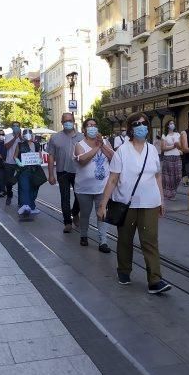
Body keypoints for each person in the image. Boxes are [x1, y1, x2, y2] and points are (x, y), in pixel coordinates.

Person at [98, 113, 171, 294]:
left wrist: (161, 199)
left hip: (150, 202)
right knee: (125, 240)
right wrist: (103, 203)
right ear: (130, 128)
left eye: (144, 123)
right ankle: (124, 270)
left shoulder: (152, 149)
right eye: (137, 124)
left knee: (150, 241)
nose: (141, 126)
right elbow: (113, 178)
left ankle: (155, 280)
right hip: (126, 203)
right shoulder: (122, 150)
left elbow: (157, 176)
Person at [75, 119, 114, 253]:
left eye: (94, 126)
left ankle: (103, 241)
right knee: (85, 213)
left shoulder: (105, 143)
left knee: (102, 213)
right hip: (84, 188)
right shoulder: (79, 145)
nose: (92, 128)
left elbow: (113, 157)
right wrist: (96, 147)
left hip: (102, 187)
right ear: (84, 130)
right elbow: (83, 161)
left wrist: (102, 144)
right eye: (89, 126)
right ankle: (84, 235)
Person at [47, 113, 83, 232]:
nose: (68, 122)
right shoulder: (55, 138)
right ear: (62, 123)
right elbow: (51, 156)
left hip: (79, 172)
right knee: (65, 197)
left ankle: (75, 212)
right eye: (65, 121)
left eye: (70, 120)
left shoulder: (82, 137)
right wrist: (51, 174)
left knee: (80, 196)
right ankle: (67, 222)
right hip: (62, 171)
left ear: (74, 122)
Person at [14, 128, 45, 218]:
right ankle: (26, 206)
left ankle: (32, 205)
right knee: (25, 188)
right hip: (24, 170)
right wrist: (18, 162)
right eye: (26, 134)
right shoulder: (19, 145)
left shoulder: (36, 145)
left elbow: (40, 156)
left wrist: (40, 160)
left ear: (32, 135)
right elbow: (15, 156)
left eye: (29, 134)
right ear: (23, 136)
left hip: (35, 170)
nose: (28, 136)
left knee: (34, 188)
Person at [159, 119, 182, 201]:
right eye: (171, 123)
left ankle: (173, 191)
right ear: (168, 125)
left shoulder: (177, 134)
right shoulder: (164, 135)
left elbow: (180, 146)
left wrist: (178, 145)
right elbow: (163, 148)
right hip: (168, 157)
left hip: (177, 157)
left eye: (173, 123)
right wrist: (173, 146)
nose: (172, 125)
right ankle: (171, 194)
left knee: (178, 176)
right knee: (169, 178)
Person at [3, 122, 25, 206]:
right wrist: (15, 138)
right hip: (9, 162)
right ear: (12, 127)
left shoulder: (22, 136)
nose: (16, 127)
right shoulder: (8, 136)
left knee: (21, 182)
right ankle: (9, 195)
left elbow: (26, 144)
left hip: (20, 163)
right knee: (8, 181)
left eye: (17, 126)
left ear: (20, 127)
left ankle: (21, 200)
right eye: (14, 126)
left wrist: (20, 137)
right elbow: (7, 147)